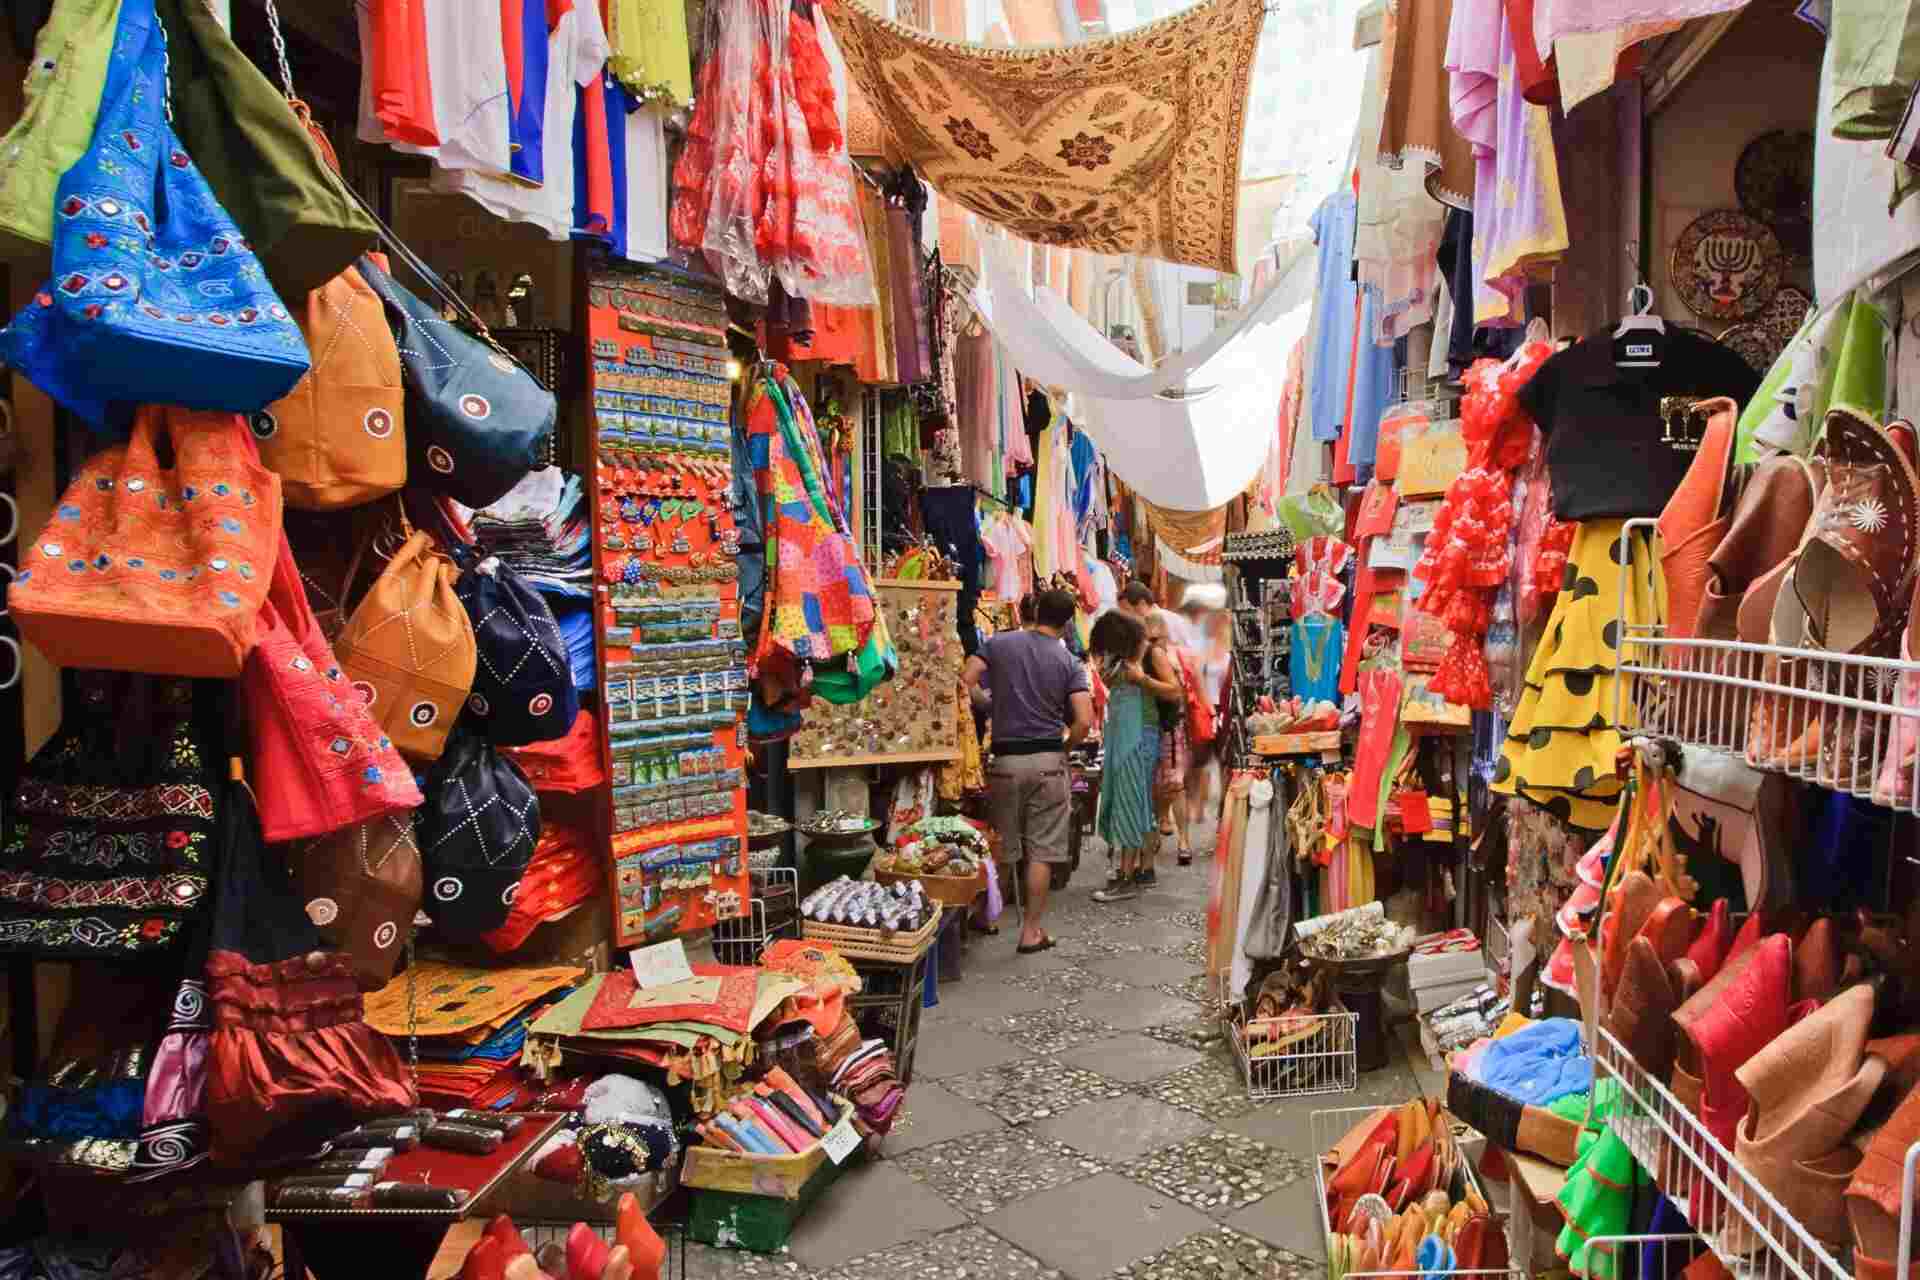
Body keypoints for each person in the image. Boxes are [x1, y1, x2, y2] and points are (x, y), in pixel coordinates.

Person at [962, 588, 1093, 954]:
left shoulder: (1000, 644)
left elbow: (966, 678)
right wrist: (1064, 748)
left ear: (1034, 610)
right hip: (1048, 762)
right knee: (1042, 851)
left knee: (1002, 842)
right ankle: (1031, 932)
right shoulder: (1069, 663)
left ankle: (987, 918)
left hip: (1005, 760)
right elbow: (1084, 720)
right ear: (1067, 622)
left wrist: (989, 705)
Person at [1089, 610, 1182, 902]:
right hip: (1123, 736)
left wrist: (1142, 680)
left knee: (1131, 802)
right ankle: (1143, 871)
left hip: (1140, 737)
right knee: (1134, 802)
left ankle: (1127, 876)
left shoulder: (1151, 655)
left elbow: (1174, 691)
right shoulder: (1120, 657)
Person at [1181, 595, 1232, 862]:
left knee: (1225, 767)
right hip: (1204, 711)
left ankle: (1222, 825)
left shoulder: (1232, 651)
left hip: (1224, 713)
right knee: (1197, 763)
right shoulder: (1206, 649)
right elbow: (1195, 677)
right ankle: (1194, 809)